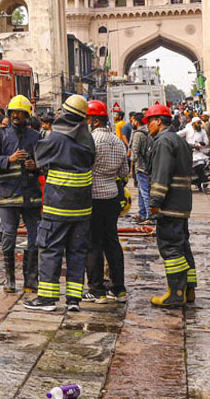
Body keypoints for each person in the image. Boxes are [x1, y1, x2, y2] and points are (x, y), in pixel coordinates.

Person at [26, 95, 95, 312]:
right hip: (82, 208)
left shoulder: (55, 138)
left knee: (50, 249)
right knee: (77, 251)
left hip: (57, 205)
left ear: (64, 113)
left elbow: (38, 160)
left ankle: (47, 298)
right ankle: (74, 300)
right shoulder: (88, 139)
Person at [0, 95, 43, 294]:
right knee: (8, 236)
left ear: (27, 116)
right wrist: (7, 159)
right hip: (9, 195)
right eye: (14, 113)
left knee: (35, 238)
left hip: (31, 197)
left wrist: (36, 166)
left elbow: (46, 164)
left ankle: (31, 280)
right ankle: (9, 278)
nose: (17, 116)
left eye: (21, 113)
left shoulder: (36, 137)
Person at [145, 102, 196, 307]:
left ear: (158, 121)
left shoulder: (163, 141)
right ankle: (188, 290)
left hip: (169, 204)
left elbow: (161, 174)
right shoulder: (178, 140)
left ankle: (175, 293)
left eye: (149, 122)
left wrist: (155, 201)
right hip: (182, 203)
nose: (148, 126)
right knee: (183, 246)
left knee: (170, 247)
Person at [85, 100, 128, 303]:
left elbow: (85, 166)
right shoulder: (118, 142)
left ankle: (96, 290)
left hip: (93, 197)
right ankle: (118, 288)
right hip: (112, 197)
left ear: (93, 121)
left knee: (94, 243)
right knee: (112, 242)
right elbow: (124, 173)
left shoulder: (91, 141)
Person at [128, 113, 152, 223]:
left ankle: (149, 216)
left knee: (145, 192)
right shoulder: (148, 132)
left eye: (132, 121)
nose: (131, 123)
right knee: (141, 192)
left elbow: (134, 154)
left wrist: (131, 168)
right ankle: (142, 213)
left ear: (136, 121)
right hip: (147, 166)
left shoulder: (138, 134)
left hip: (141, 167)